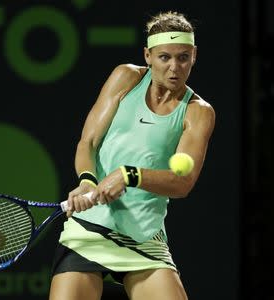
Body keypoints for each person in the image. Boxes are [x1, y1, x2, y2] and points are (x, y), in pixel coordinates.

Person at [49, 11, 215, 300]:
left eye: (183, 57)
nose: (174, 68)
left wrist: (129, 175)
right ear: (147, 55)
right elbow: (87, 142)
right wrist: (88, 181)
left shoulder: (199, 112)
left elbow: (183, 183)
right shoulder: (125, 77)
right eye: (164, 57)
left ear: (195, 56)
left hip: (143, 236)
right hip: (90, 228)